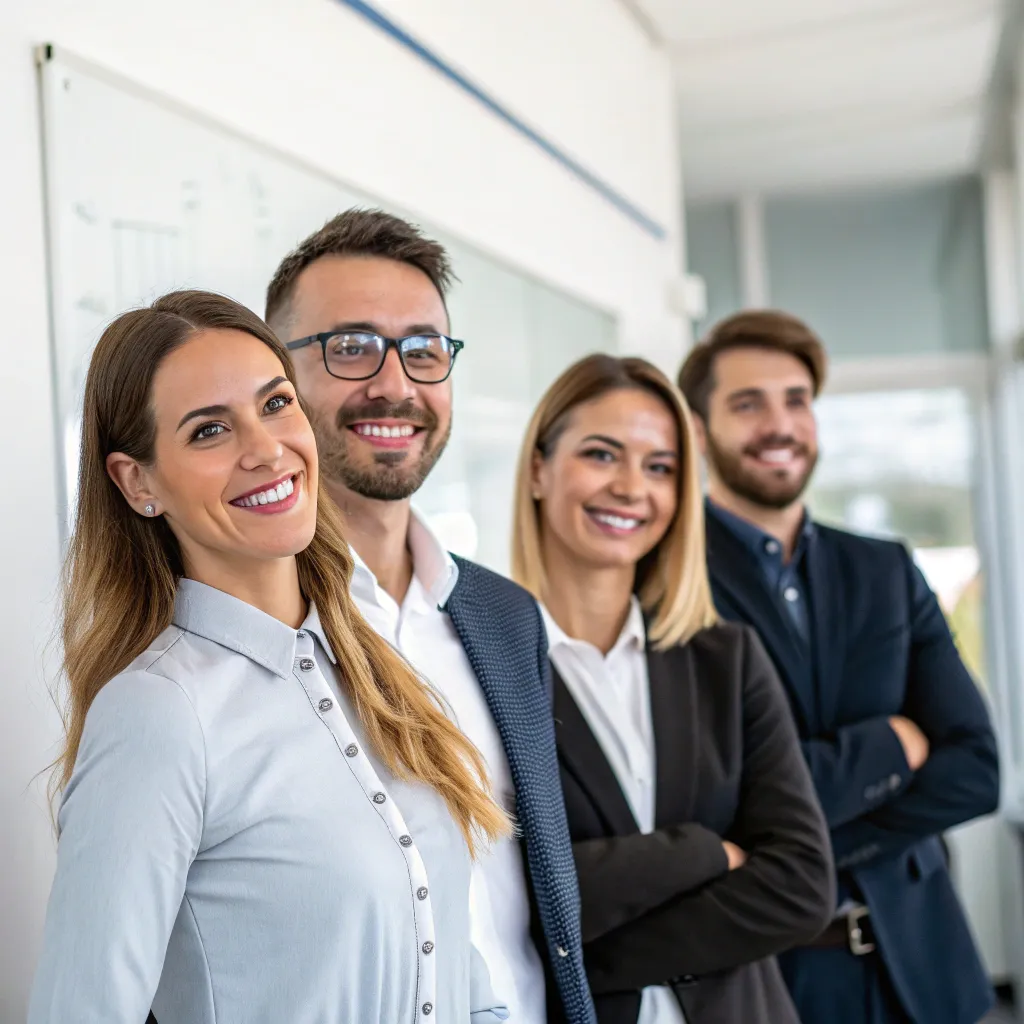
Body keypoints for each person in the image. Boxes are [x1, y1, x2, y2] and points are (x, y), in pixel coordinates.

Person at [29, 290, 511, 1024]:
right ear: (139, 483)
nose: (264, 448)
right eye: (210, 430)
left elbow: (457, 973)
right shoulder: (159, 713)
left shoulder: (379, 673)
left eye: (276, 403)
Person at [265, 209, 595, 1024]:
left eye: (423, 350)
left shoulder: (505, 616)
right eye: (350, 347)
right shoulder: (238, 627)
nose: (395, 384)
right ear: (279, 381)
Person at [678, 310, 1001, 1024]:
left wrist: (788, 848)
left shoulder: (883, 568)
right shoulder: (672, 584)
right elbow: (710, 804)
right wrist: (888, 748)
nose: (780, 424)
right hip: (777, 980)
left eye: (797, 400)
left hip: (923, 972)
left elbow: (976, 768)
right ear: (699, 431)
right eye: (748, 403)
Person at [510, 353, 834, 1023]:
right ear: (539, 468)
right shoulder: (481, 668)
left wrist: (582, 958)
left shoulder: (726, 660)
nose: (632, 487)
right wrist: (705, 851)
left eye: (660, 467)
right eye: (602, 454)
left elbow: (802, 885)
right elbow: (511, 896)